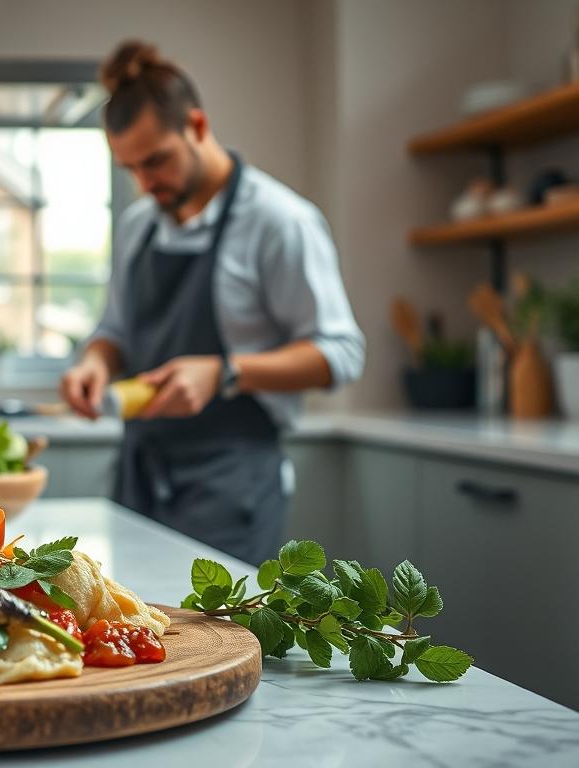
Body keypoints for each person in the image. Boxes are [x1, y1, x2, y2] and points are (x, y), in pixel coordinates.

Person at [61, 41, 365, 564]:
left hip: (232, 481)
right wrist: (94, 362)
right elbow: (115, 332)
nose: (145, 183)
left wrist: (224, 372)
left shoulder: (279, 221)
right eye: (130, 168)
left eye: (156, 161)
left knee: (216, 638)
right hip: (140, 473)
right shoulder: (138, 229)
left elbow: (340, 353)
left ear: (197, 127)